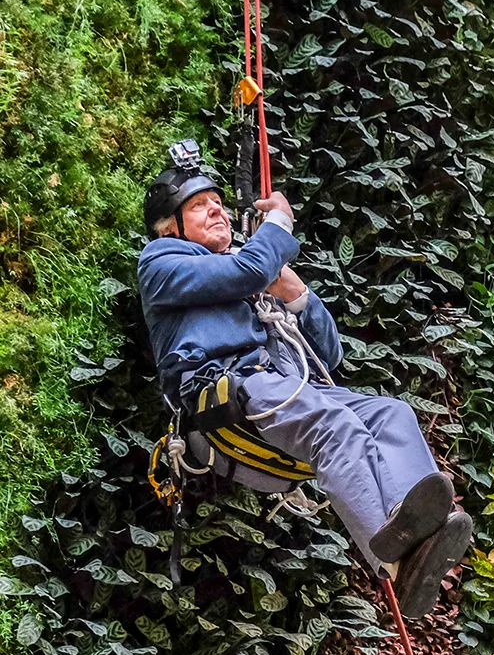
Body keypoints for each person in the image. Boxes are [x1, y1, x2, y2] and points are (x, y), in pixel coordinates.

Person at [137, 144, 472, 618]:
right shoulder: (162, 261)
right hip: (228, 395)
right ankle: (391, 562)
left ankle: (414, 533)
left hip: (283, 392)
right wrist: (277, 227)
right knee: (335, 424)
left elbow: (328, 357)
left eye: (217, 202)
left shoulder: (246, 272)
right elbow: (247, 267)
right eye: (199, 205)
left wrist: (295, 295)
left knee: (390, 414)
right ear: (170, 226)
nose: (216, 209)